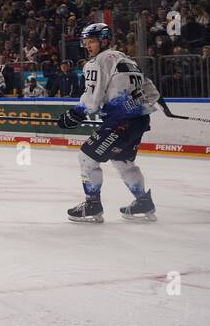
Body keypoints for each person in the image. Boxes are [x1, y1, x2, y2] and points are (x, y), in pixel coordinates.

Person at [57, 23, 160, 223]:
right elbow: (152, 93)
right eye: (85, 42)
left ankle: (92, 206)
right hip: (139, 120)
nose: (88, 46)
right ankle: (143, 202)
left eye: (92, 41)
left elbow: (92, 101)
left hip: (121, 122)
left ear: (104, 41)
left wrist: (75, 113)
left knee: (86, 157)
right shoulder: (127, 60)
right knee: (123, 161)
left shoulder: (97, 62)